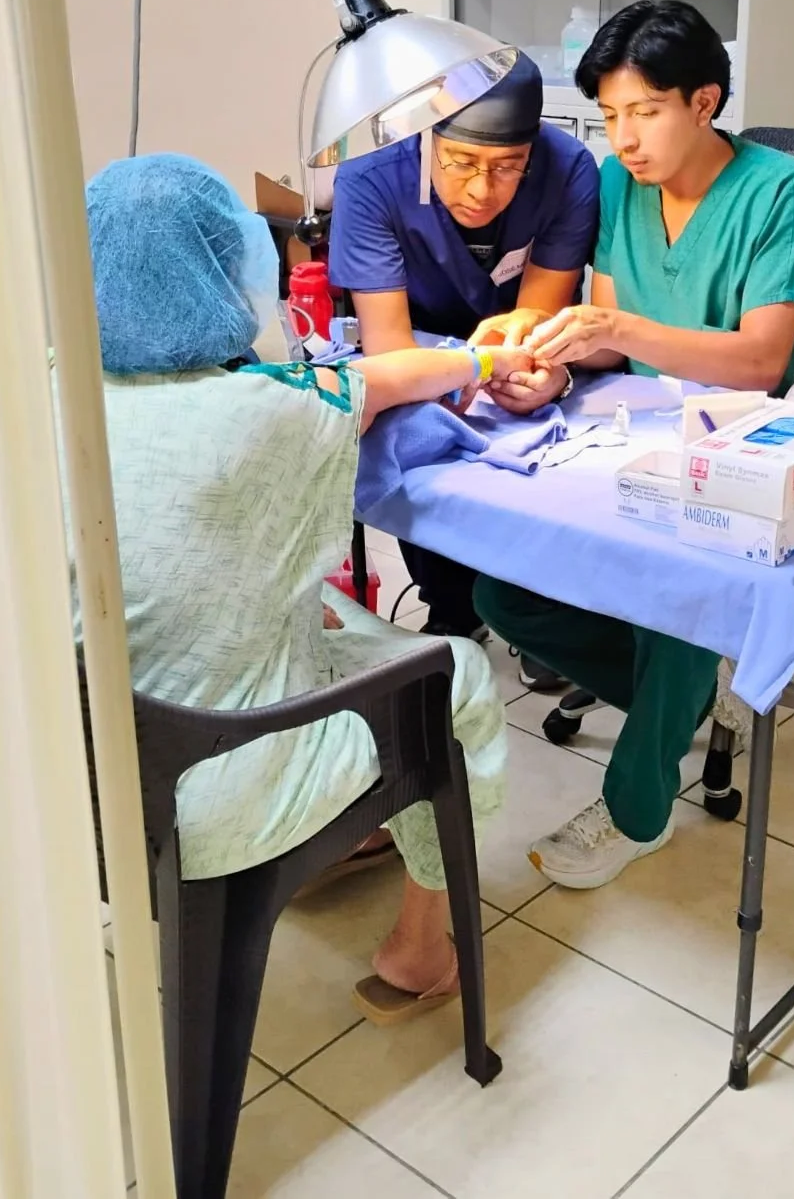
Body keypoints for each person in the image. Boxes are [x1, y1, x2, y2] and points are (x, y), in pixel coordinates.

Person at [66, 152, 528, 1023]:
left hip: (70, 774)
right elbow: (385, 379)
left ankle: (364, 827)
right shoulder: (279, 408)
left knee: (329, 610)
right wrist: (478, 359)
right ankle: (421, 953)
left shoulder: (47, 393)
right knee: (454, 669)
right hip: (208, 791)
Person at [474, 0, 794, 890]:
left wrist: (617, 325)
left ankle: (639, 805)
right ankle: (680, 705)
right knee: (504, 588)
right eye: (609, 118)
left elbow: (757, 360)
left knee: (679, 596)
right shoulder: (618, 186)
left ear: (703, 100)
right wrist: (552, 359)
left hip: (741, 449)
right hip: (630, 430)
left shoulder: (780, 189)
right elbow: (611, 341)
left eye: (644, 113)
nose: (623, 139)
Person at [329, 52, 599, 689]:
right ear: (426, 139)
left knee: (532, 445)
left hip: (513, 342)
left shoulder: (568, 169)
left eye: (509, 168)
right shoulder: (373, 176)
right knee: (414, 432)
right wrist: (463, 363)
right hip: (414, 341)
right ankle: (450, 607)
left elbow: (540, 305)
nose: (483, 190)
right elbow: (391, 353)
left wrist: (520, 352)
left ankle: (538, 615)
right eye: (463, 164)